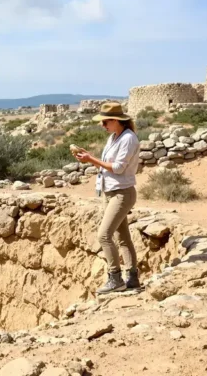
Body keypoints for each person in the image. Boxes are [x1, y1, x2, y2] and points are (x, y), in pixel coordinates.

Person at [74, 102, 142, 294]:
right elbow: (108, 166)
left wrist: (91, 159)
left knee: (104, 235)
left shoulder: (128, 139)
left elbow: (119, 168)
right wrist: (89, 158)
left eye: (106, 121)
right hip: (111, 191)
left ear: (117, 121)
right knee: (122, 237)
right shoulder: (114, 137)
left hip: (122, 193)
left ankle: (115, 278)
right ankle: (133, 277)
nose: (103, 125)